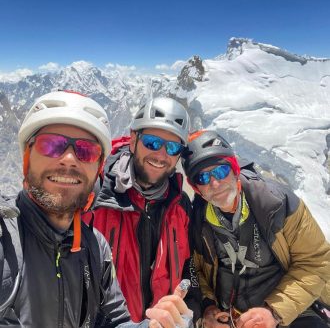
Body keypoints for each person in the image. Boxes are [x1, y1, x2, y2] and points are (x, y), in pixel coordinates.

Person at [0, 90, 193, 328]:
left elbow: (112, 321)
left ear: (96, 167)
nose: (69, 158)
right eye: (51, 145)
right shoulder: (5, 238)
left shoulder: (95, 248)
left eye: (86, 151)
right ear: (27, 155)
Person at [181, 129, 330, 328]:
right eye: (202, 178)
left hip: (292, 313)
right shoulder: (197, 222)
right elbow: (195, 270)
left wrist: (273, 312)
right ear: (197, 189)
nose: (214, 183)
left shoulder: (276, 204)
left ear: (235, 170)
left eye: (220, 171)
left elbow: (315, 261)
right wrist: (208, 307)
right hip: (230, 318)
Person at [84, 97, 201, 323]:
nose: (161, 154)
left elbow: (189, 268)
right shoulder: (95, 196)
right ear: (133, 139)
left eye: (173, 147)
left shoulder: (181, 205)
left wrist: (189, 310)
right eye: (152, 142)